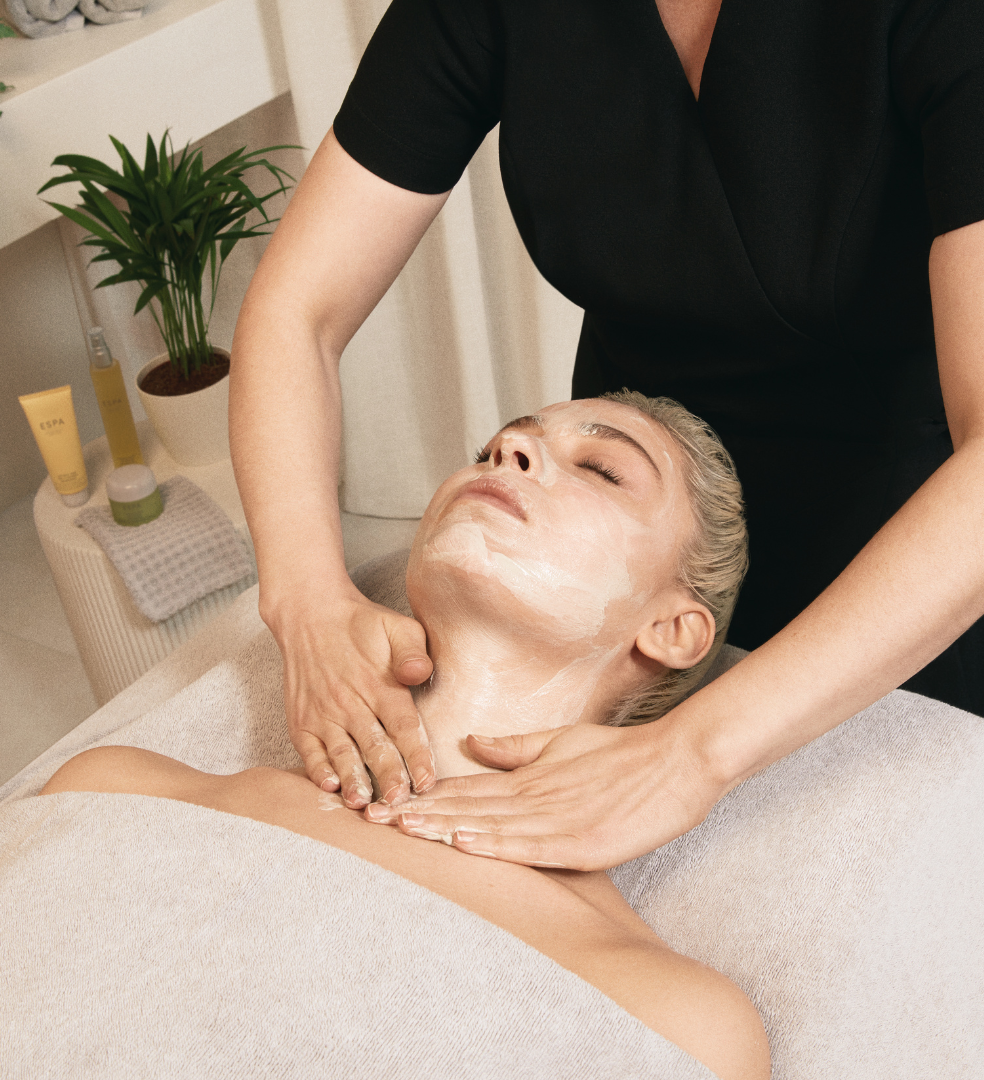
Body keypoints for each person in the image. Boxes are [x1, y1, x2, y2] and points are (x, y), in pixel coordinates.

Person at [229, 0, 984, 869]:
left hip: (912, 551)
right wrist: (305, 599)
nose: (505, 451)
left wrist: (690, 755)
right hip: (619, 543)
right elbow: (297, 311)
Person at [40, 395, 769, 1080]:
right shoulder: (114, 788)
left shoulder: (677, 1023)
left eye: (603, 468)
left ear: (673, 631)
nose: (508, 450)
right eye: (491, 447)